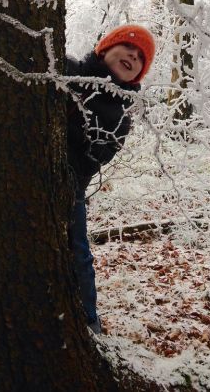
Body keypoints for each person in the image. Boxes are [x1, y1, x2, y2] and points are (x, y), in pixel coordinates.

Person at [66, 24, 156, 335]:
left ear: (138, 76)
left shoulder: (119, 116)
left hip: (69, 190)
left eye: (140, 59)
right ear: (105, 49)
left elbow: (94, 155)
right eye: (128, 48)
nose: (133, 56)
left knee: (78, 251)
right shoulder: (71, 71)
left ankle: (90, 321)